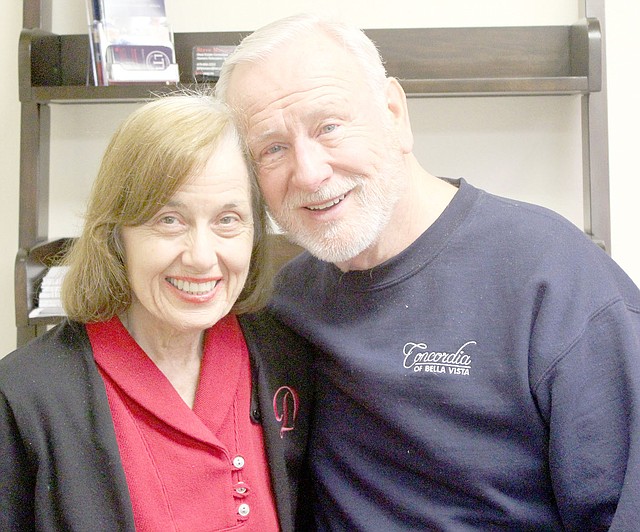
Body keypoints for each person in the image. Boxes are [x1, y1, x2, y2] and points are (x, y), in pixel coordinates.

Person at [215, 13, 640, 531]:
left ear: (394, 112)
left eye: (328, 127)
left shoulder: (555, 279)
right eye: (273, 149)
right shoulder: (282, 304)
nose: (309, 172)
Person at [0, 92, 313, 532]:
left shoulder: (288, 357)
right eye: (169, 219)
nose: (202, 257)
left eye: (228, 219)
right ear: (116, 235)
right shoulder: (23, 398)